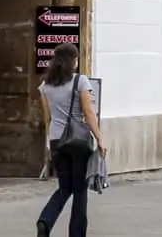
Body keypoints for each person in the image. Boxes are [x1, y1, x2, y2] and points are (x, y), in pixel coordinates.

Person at [37, 42, 101, 237]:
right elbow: (89, 113)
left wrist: (49, 143)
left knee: (64, 187)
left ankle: (45, 220)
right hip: (78, 141)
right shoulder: (80, 81)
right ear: (73, 60)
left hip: (56, 140)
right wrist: (100, 138)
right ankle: (77, 233)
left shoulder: (45, 86)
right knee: (80, 190)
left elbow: (48, 117)